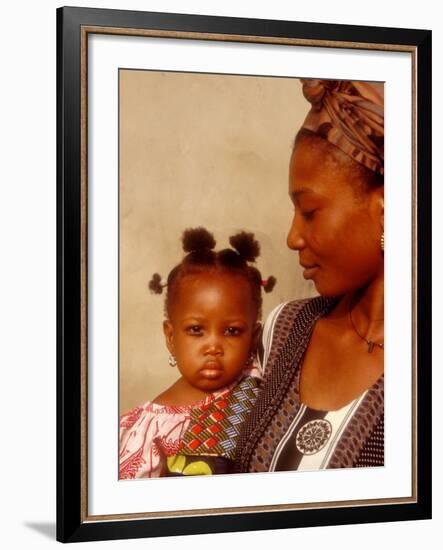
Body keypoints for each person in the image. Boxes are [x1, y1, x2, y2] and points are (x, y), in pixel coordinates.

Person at [235, 79, 384, 472]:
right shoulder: (284, 330)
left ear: (387, 209)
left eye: (310, 212)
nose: (292, 237)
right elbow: (223, 451)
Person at [119, 227, 276, 478]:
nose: (213, 346)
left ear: (253, 337)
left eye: (232, 331)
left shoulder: (264, 386)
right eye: (196, 330)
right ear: (171, 337)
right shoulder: (146, 431)